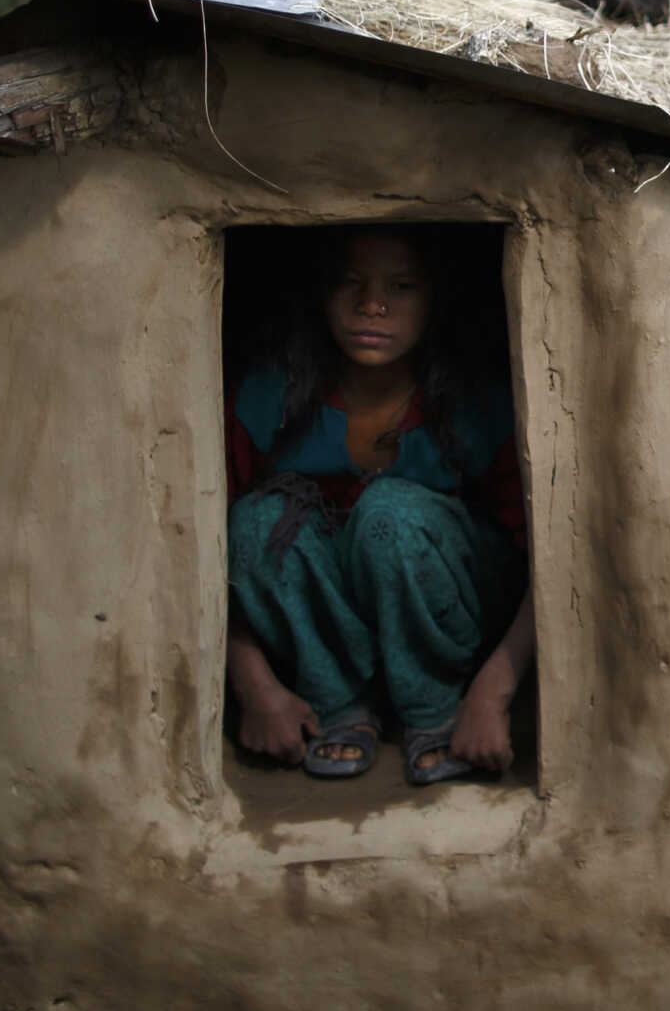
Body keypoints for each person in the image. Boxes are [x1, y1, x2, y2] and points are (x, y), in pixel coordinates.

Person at [223, 227, 533, 785]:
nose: (372, 305)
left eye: (403, 286)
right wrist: (253, 686)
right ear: (319, 293)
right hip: (323, 629)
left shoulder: (477, 403)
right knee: (254, 523)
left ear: (437, 298)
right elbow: (192, 554)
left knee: (391, 514)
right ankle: (339, 703)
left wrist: (494, 691)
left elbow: (553, 563)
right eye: (350, 283)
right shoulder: (269, 395)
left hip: (456, 621)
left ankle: (434, 707)